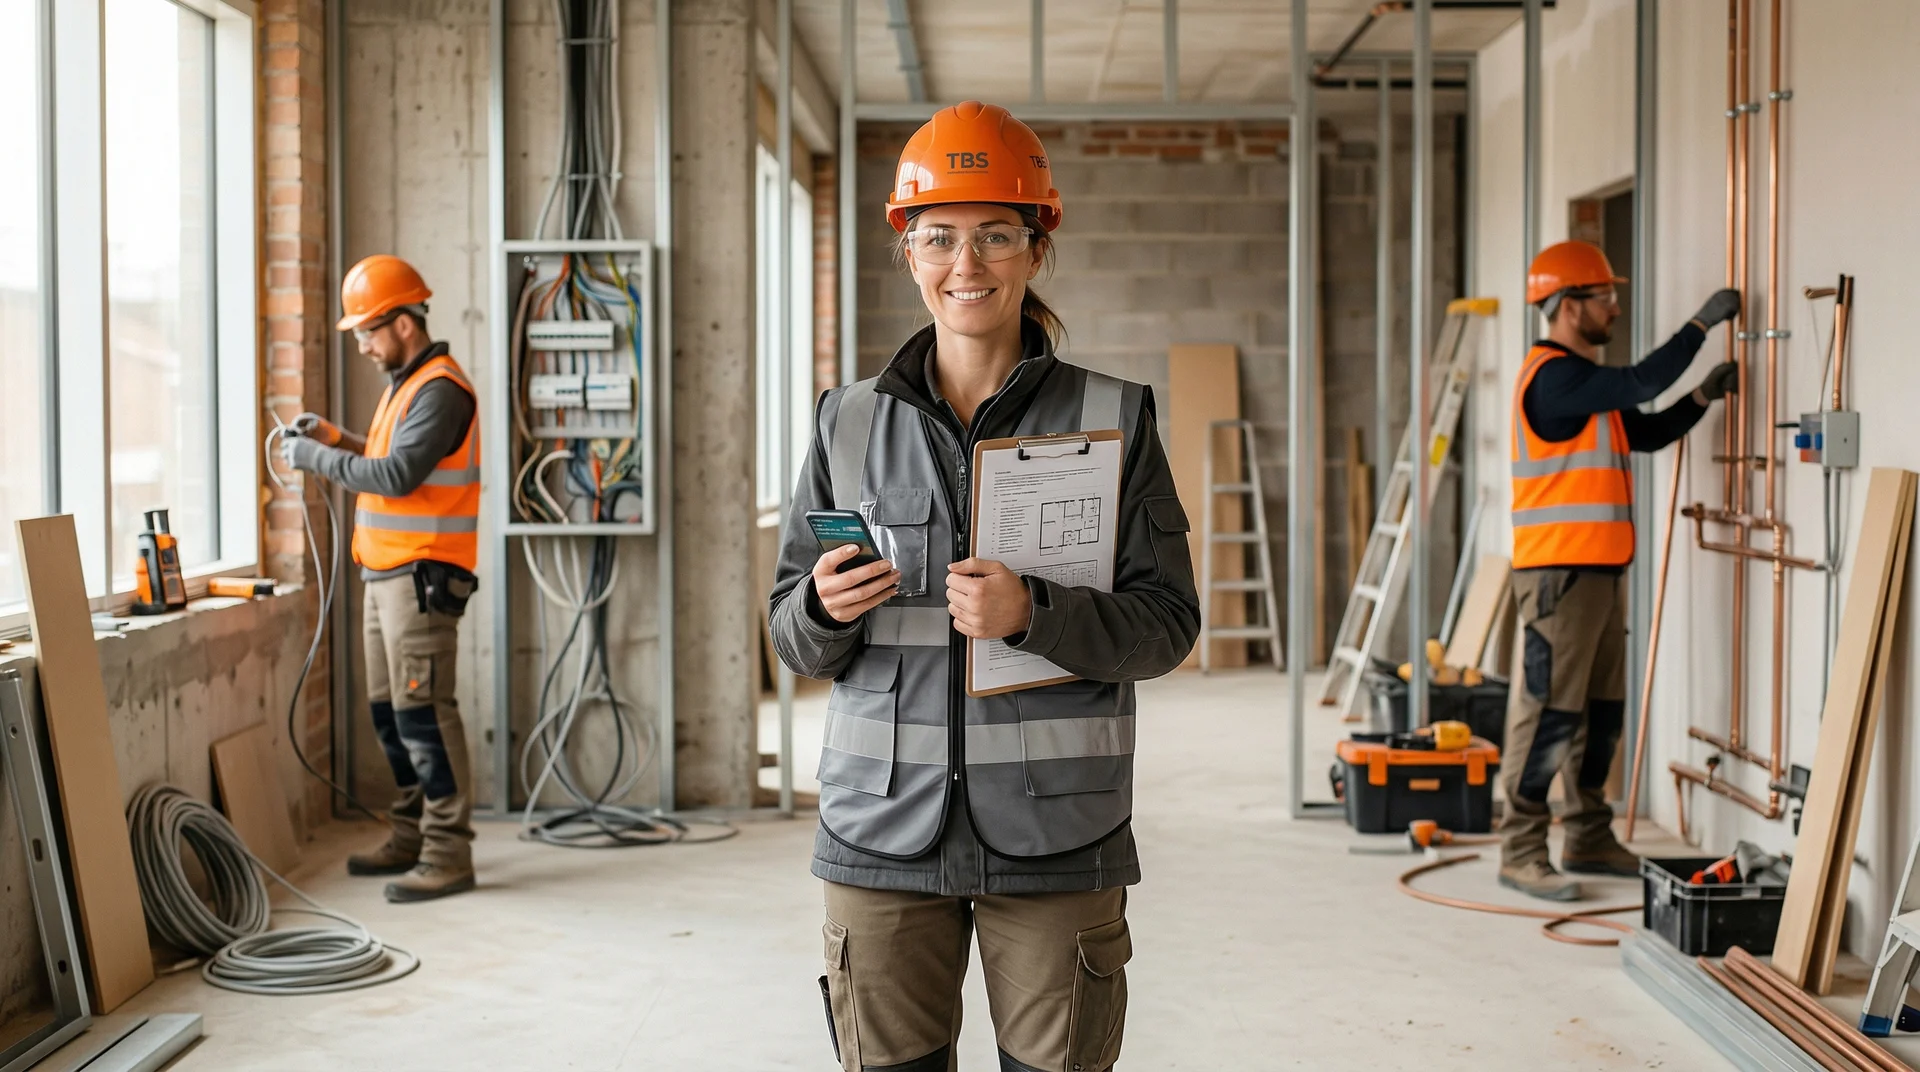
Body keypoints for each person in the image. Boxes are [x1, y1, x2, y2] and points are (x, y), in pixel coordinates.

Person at [768, 102, 1200, 1072]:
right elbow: (789, 632)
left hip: (1056, 834)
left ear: (1036, 247)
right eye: (941, 237)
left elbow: (1169, 624)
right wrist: (821, 610)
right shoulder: (843, 424)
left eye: (997, 234)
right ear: (908, 251)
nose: (968, 263)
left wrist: (1035, 614)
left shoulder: (1113, 418)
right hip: (882, 833)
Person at [1500, 239, 1742, 902]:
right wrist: (1700, 326)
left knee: (1601, 713)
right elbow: (1641, 381)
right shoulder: (1554, 379)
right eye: (1602, 295)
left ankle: (1587, 834)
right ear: (1567, 305)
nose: (1613, 305)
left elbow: (1646, 431)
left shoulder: (1585, 387)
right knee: (1550, 711)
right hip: (1559, 576)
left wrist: (1701, 398)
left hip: (1599, 572)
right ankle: (1521, 848)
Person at [283, 254, 481, 904]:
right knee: (389, 714)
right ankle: (410, 835)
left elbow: (399, 476)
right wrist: (338, 437)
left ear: (402, 322)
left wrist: (315, 457)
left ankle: (448, 852)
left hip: (421, 580)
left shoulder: (441, 389)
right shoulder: (408, 383)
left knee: (424, 713)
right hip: (387, 576)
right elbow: (385, 455)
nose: (363, 346)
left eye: (368, 331)